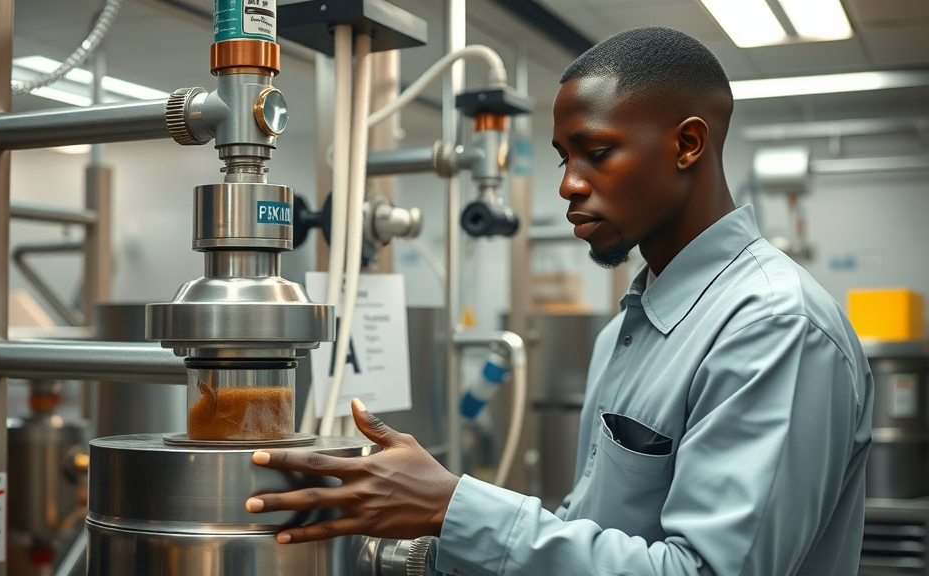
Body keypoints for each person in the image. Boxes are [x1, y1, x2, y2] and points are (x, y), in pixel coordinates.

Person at [245, 26, 875, 575]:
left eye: (597, 153)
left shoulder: (773, 326)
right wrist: (428, 543)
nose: (569, 184)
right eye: (564, 158)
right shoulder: (627, 330)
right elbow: (591, 530)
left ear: (687, 145)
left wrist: (452, 506)